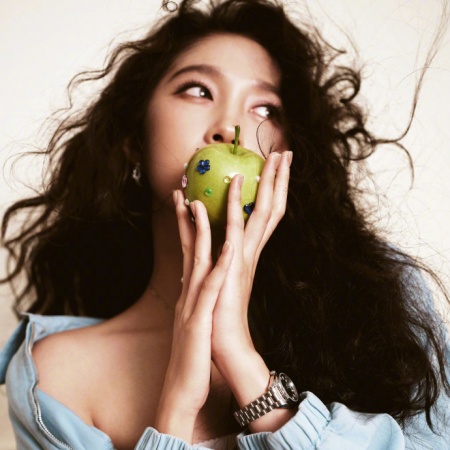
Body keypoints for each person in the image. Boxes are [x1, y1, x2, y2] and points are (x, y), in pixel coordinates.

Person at [0, 0, 449, 448]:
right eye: (198, 90)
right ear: (134, 138)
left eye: (266, 109)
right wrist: (176, 406)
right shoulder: (55, 376)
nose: (229, 127)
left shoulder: (380, 307)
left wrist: (242, 362)